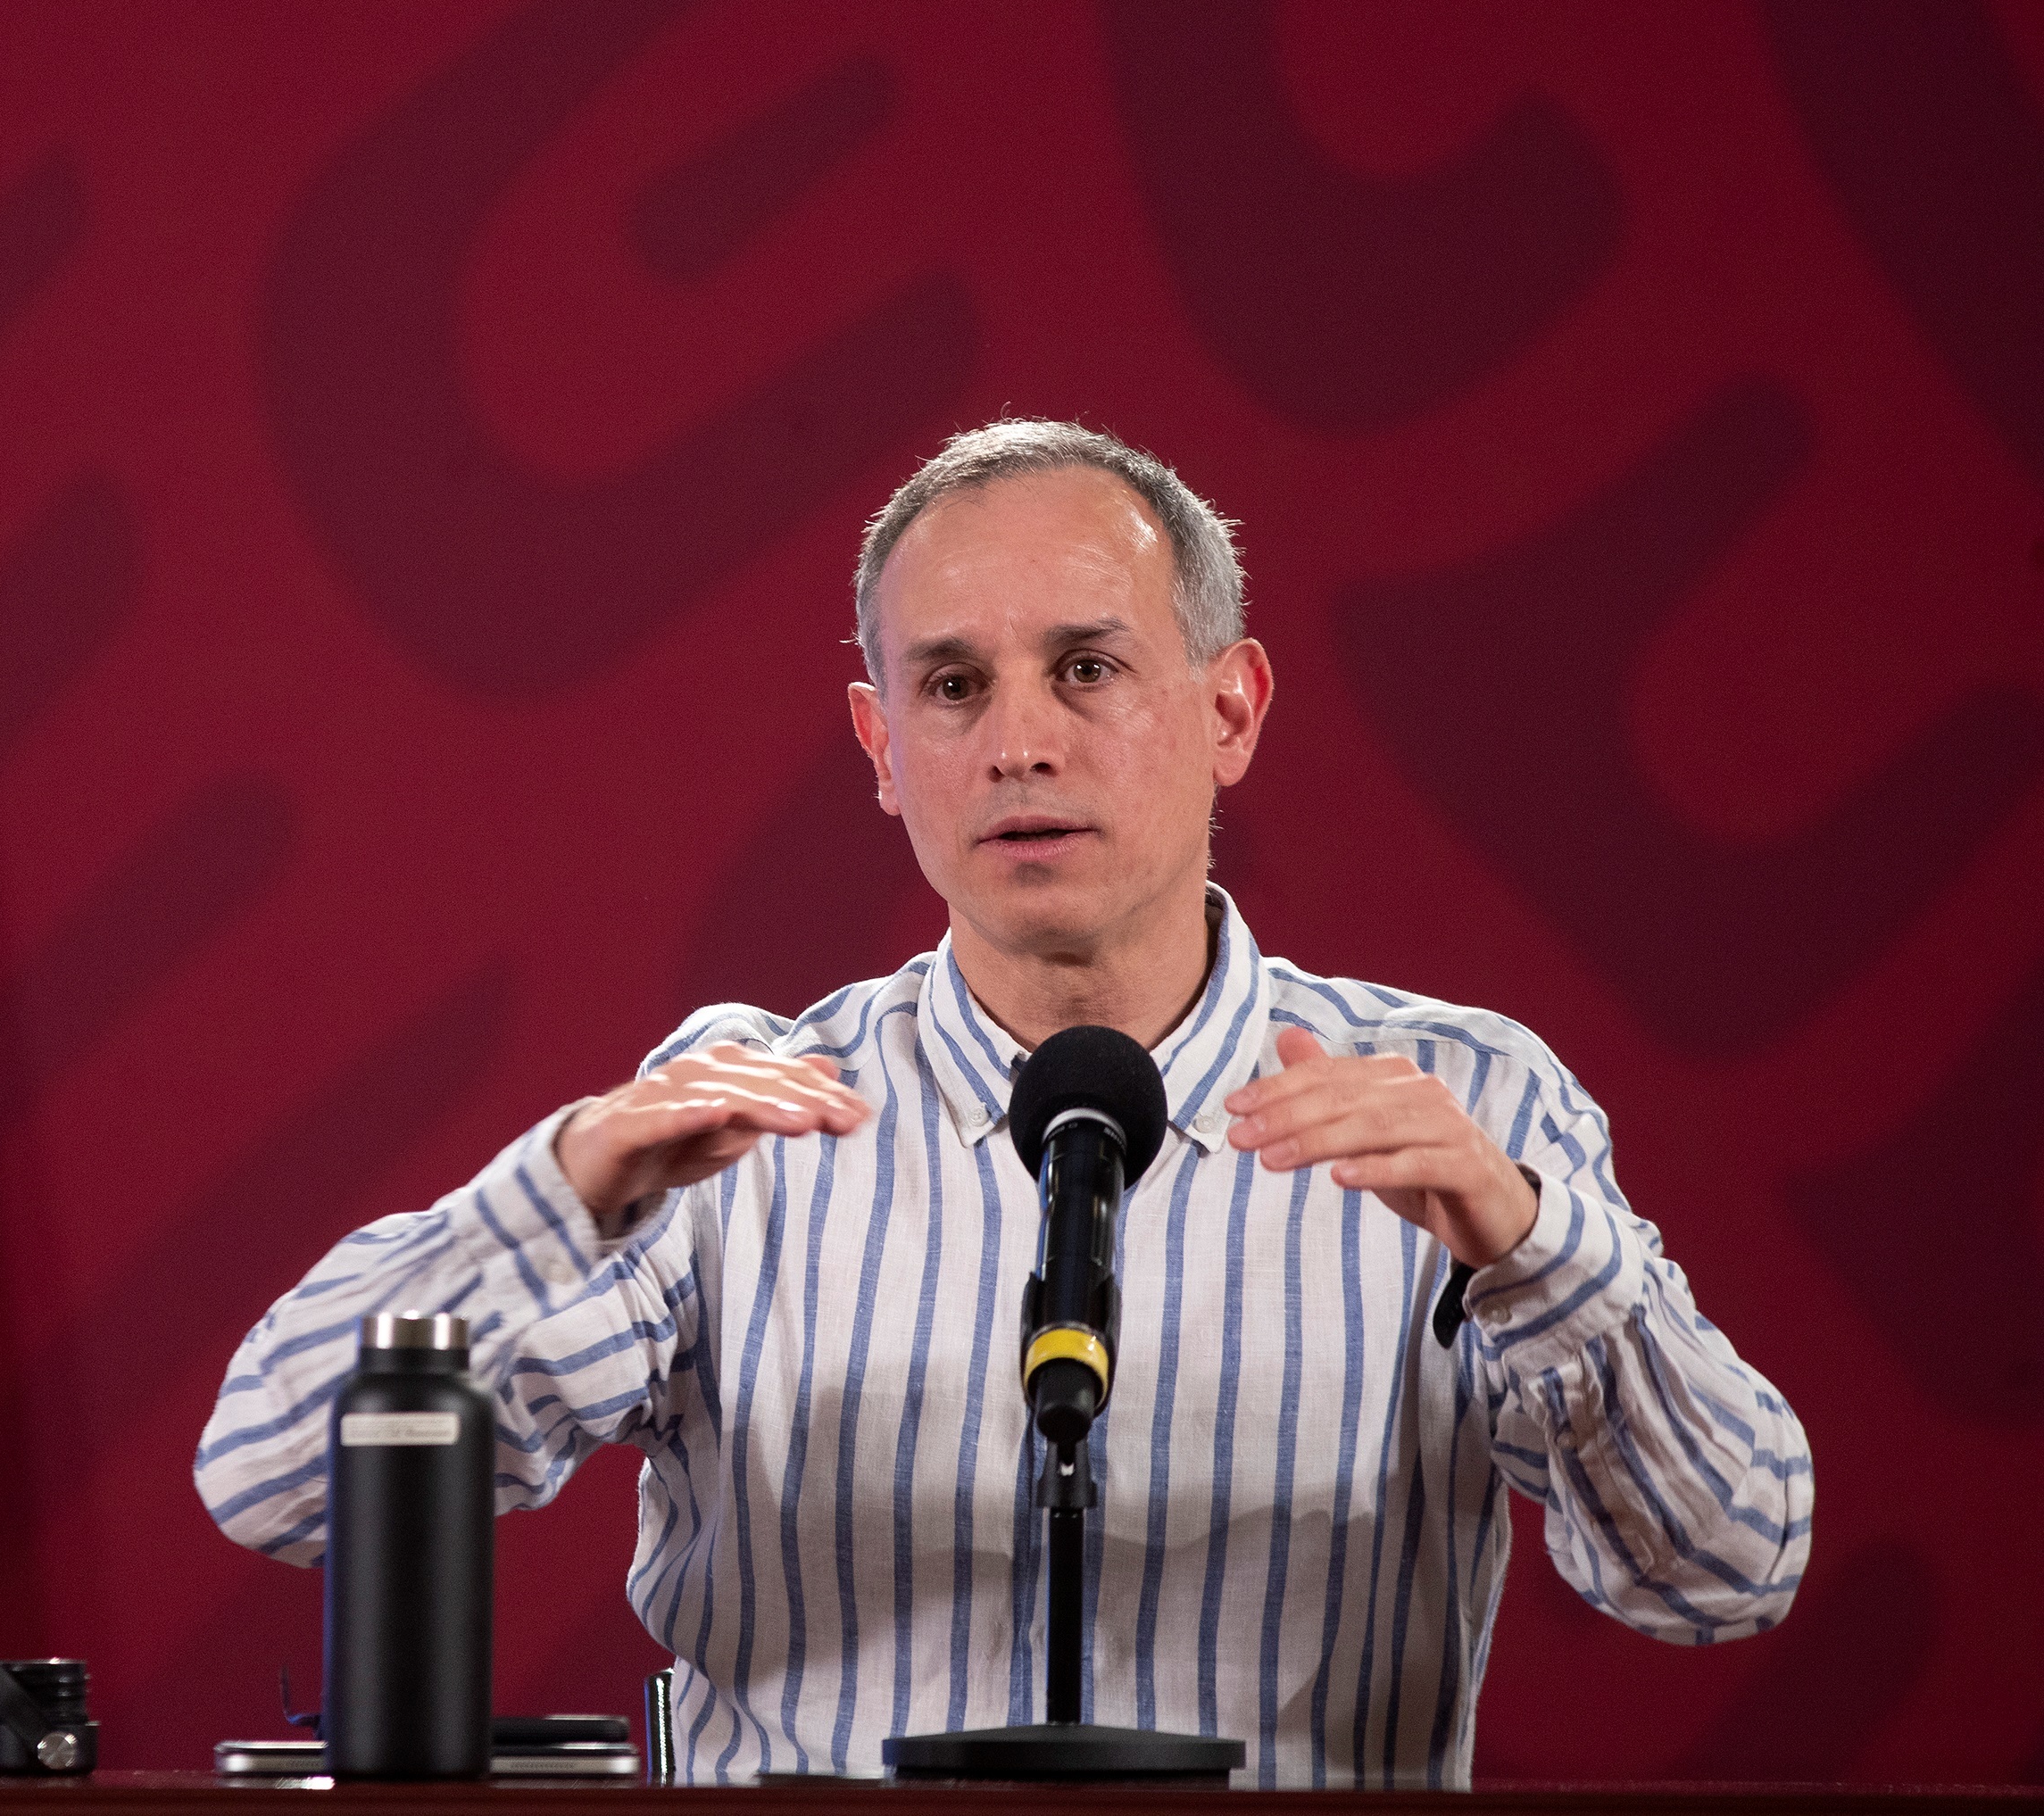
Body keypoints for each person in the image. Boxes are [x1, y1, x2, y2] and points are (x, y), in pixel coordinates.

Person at [195, 419, 1811, 1787]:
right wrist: (550, 1196)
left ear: (1231, 710)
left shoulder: (1467, 1106)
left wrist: (1533, 1252)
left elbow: (1725, 1574)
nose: (1019, 743)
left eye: (1088, 668)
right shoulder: (742, 1130)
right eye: (954, 686)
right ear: (881, 743)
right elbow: (271, 1477)